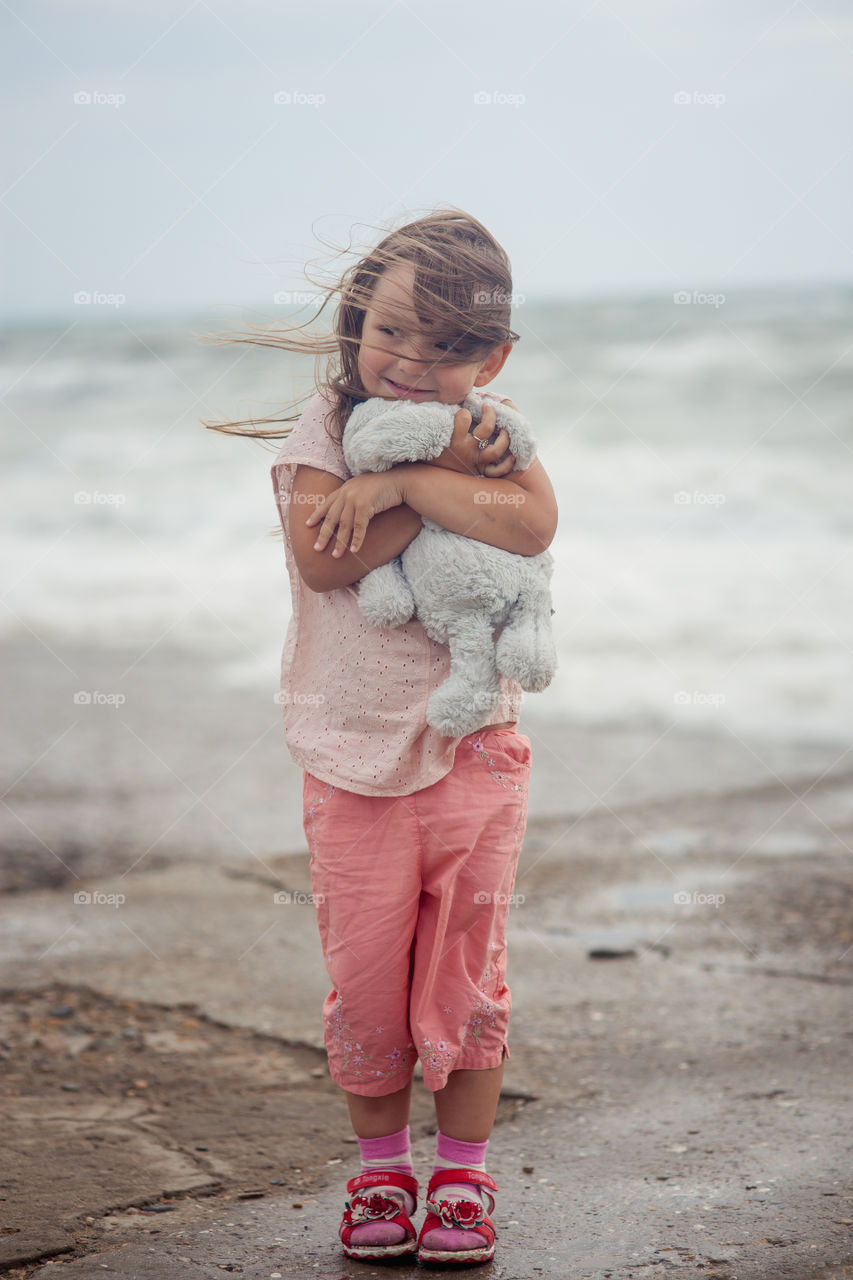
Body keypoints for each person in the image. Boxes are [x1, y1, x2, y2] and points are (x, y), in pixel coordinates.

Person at [208, 209, 557, 1266]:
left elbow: (532, 526)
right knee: (366, 981)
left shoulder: (487, 425)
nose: (413, 361)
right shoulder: (324, 424)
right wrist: (443, 492)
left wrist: (402, 482)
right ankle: (379, 1175)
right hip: (351, 757)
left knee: (466, 974)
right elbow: (325, 557)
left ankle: (462, 1176)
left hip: (474, 748)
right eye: (395, 332)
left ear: (490, 356)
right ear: (360, 318)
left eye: (450, 347)